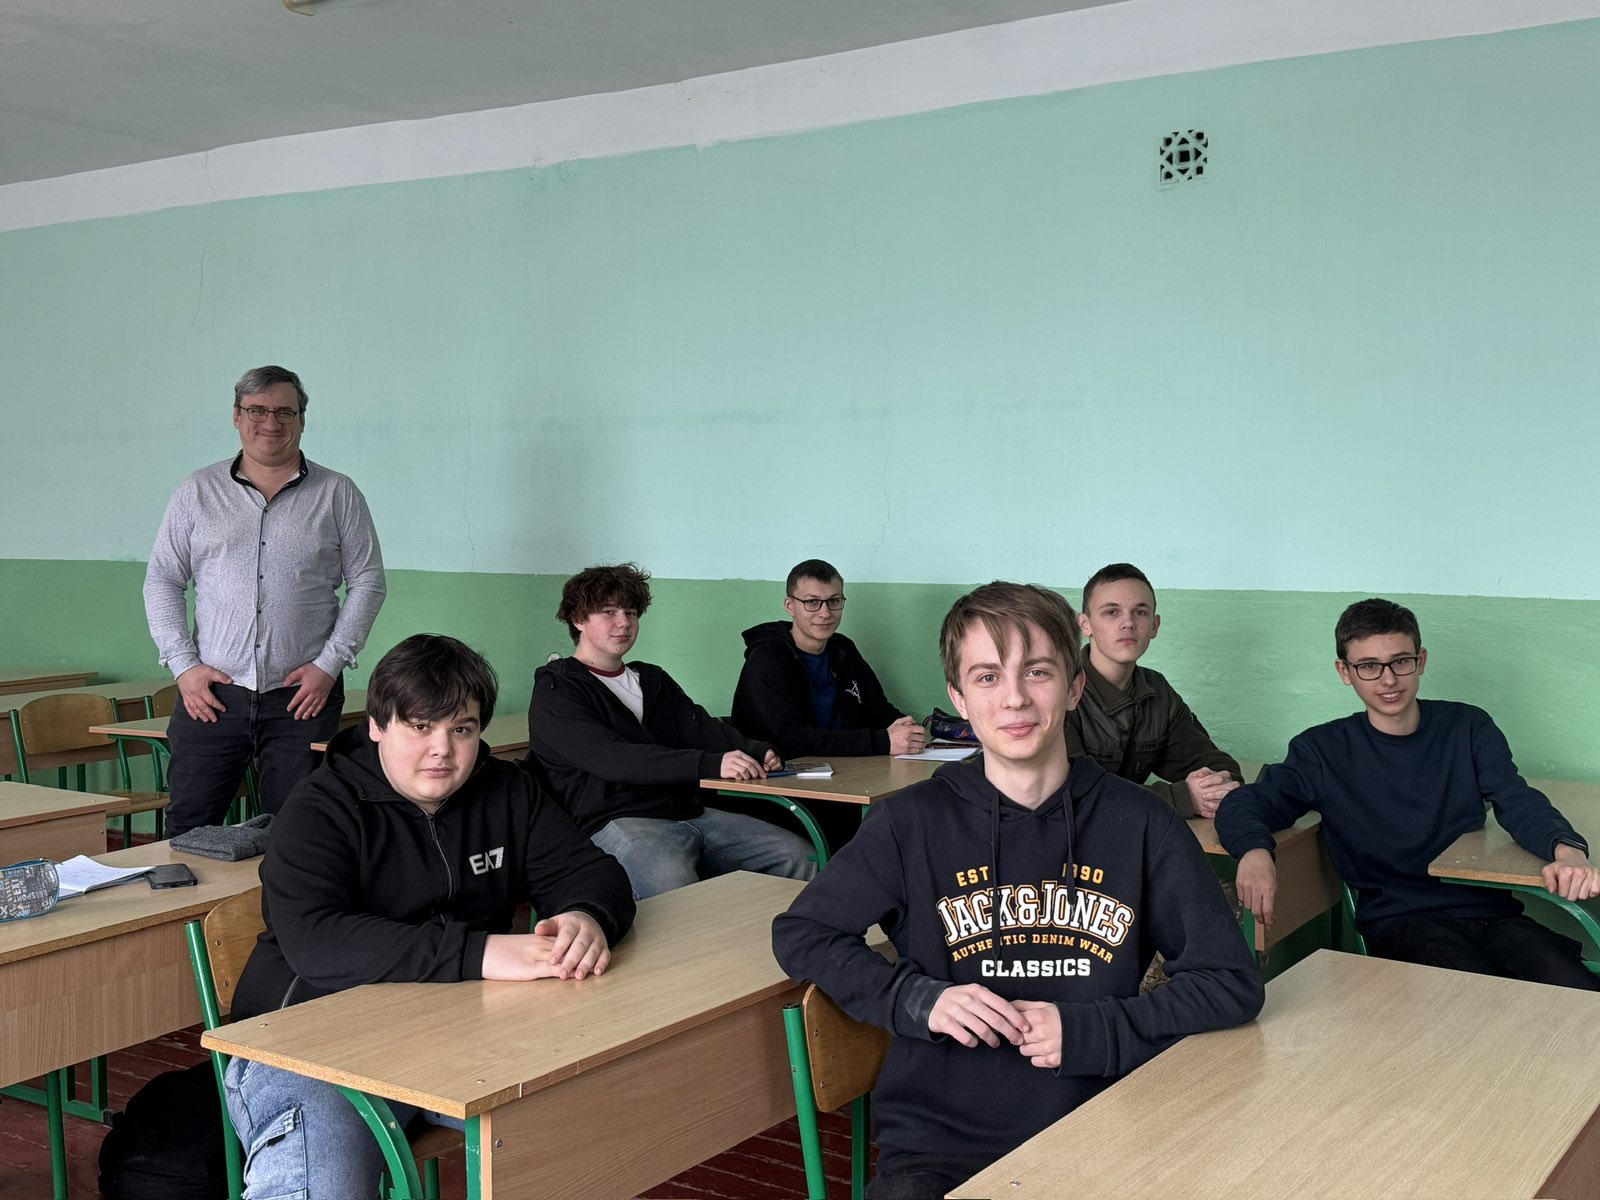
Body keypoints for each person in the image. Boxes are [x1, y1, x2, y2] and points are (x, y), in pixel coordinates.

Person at [773, 582, 1263, 1198]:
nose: (1014, 698)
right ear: (958, 697)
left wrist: (1092, 1031)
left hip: (1109, 1126)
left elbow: (1229, 983)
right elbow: (802, 933)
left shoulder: (1142, 822)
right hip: (939, 1148)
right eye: (986, 677)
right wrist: (916, 1000)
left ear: (1074, 686)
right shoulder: (909, 823)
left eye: (1037, 672)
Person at [224, 633, 635, 1198]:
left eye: (461, 729)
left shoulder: (509, 791)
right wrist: (482, 953)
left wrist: (587, 917)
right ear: (377, 725)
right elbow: (316, 940)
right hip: (306, 1045)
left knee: (595, 1121)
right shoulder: (319, 808)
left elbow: (592, 872)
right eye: (420, 726)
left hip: (460, 1032)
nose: (442, 749)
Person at [1216, 598, 1600, 990]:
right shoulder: (1322, 751)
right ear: (1345, 672)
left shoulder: (1468, 727)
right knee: (1476, 1000)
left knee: (1577, 990)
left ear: (1421, 660)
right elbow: (1247, 803)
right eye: (1369, 666)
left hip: (1494, 915)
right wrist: (1254, 850)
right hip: (1404, 924)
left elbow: (1517, 800)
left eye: (1400, 662)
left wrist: (1567, 849)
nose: (1388, 680)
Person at [143, 365, 386, 836]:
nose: (270, 422)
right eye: (257, 410)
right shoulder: (197, 491)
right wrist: (183, 666)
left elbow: (368, 581)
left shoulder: (337, 493)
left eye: (284, 412)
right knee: (188, 828)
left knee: (299, 831)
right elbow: (162, 580)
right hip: (211, 695)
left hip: (303, 697)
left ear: (301, 420)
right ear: (237, 416)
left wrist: (330, 664)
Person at [529, 563, 818, 900]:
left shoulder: (651, 679)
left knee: (800, 857)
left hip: (686, 811)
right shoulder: (557, 689)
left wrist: (755, 750)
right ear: (578, 619)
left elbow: (700, 727)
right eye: (608, 612)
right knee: (673, 888)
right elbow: (615, 758)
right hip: (614, 822)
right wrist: (711, 764)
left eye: (631, 612)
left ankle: (794, 935)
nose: (624, 622)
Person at [731, 558, 924, 848]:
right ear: (790, 606)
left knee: (919, 806)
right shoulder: (767, 660)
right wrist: (884, 741)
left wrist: (911, 730)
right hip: (786, 792)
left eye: (834, 601)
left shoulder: (842, 648)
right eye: (812, 602)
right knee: (884, 832)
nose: (825, 613)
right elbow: (792, 740)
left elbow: (878, 711)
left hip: (845, 778)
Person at [1067, 563, 1241, 818]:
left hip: (1135, 832)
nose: (1128, 623)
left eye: (1140, 612)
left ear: (1155, 626)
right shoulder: (1061, 692)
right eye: (1111, 612)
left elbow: (1219, 767)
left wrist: (1214, 788)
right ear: (1085, 625)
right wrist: (1182, 798)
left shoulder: (1157, 692)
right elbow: (1072, 796)